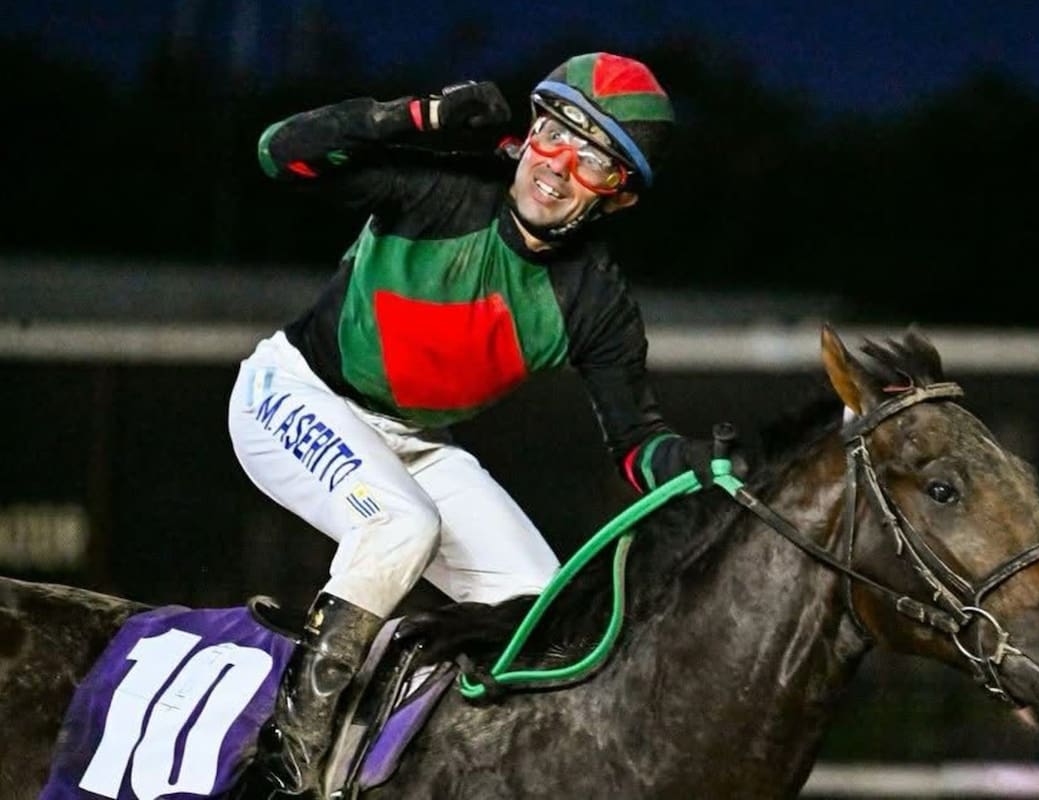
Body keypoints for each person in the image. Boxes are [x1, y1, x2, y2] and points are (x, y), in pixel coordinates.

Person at [227, 51, 743, 794]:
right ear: (529, 129)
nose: (559, 165)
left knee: (539, 612)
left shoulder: (596, 301)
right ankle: (282, 766)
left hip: (410, 442)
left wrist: (703, 467)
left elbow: (636, 449)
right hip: (292, 392)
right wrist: (418, 114)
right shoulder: (440, 189)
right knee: (402, 527)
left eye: (594, 158)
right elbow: (279, 153)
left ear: (620, 198)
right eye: (556, 130)